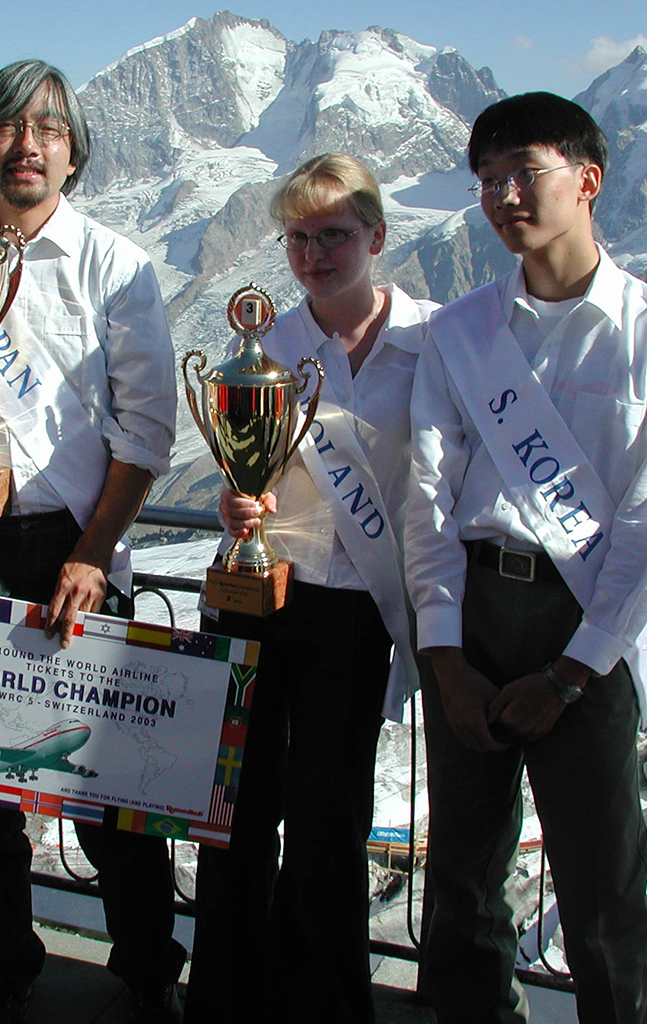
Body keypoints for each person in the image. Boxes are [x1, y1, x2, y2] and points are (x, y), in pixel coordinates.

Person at [0, 60, 182, 1024]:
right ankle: (3, 972)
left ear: (72, 154)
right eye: (8, 128)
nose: (27, 146)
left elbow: (147, 432)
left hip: (75, 550)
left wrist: (92, 554)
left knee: (110, 795)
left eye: (48, 130)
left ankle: (149, 974)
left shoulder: (113, 263)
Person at [405, 92, 647, 1023]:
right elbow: (426, 494)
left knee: (601, 884)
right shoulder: (460, 330)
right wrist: (443, 655)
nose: (503, 195)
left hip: (586, 625)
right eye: (486, 180)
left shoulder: (639, 329)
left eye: (523, 172)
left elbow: (642, 522)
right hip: (474, 611)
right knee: (463, 877)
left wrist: (573, 672)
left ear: (587, 180)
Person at [185, 154, 437, 1022]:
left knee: (330, 819)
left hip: (358, 609)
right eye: (297, 238)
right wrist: (232, 501)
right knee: (235, 807)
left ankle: (323, 1004)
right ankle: (225, 999)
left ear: (376, 236)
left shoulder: (432, 341)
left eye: (333, 234)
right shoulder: (266, 347)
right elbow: (237, 462)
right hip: (261, 596)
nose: (314, 255)